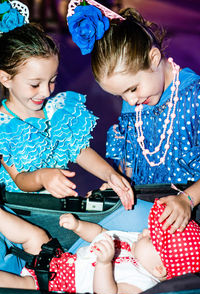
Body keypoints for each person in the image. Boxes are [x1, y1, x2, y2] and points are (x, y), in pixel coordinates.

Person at [66, 0, 200, 240]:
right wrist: (121, 184)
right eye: (120, 95)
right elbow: (132, 161)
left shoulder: (194, 97)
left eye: (133, 88)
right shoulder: (137, 101)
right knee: (94, 238)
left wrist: (187, 199)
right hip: (150, 209)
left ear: (154, 58)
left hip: (191, 210)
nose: (130, 100)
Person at [0, 0, 134, 210]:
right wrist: (42, 177)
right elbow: (19, 178)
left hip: (55, 207)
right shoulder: (4, 126)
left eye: (52, 80)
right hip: (22, 210)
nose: (46, 92)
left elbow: (79, 150)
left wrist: (110, 174)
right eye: (35, 84)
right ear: (6, 78)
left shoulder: (56, 111)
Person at [0, 198, 199, 294]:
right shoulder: (133, 242)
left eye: (151, 238)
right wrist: (78, 226)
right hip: (58, 260)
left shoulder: (142, 284)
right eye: (150, 229)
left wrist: (104, 265)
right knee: (37, 236)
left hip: (53, 287)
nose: (145, 232)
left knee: (22, 286)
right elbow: (99, 232)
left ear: (160, 268)